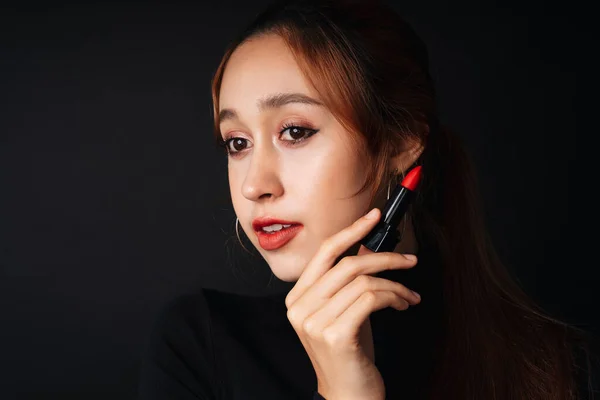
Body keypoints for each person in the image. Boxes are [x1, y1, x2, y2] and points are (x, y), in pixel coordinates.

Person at [138, 0, 598, 398]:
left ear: (402, 142)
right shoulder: (199, 347)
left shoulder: (551, 363)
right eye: (237, 142)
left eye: (295, 131)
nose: (254, 185)